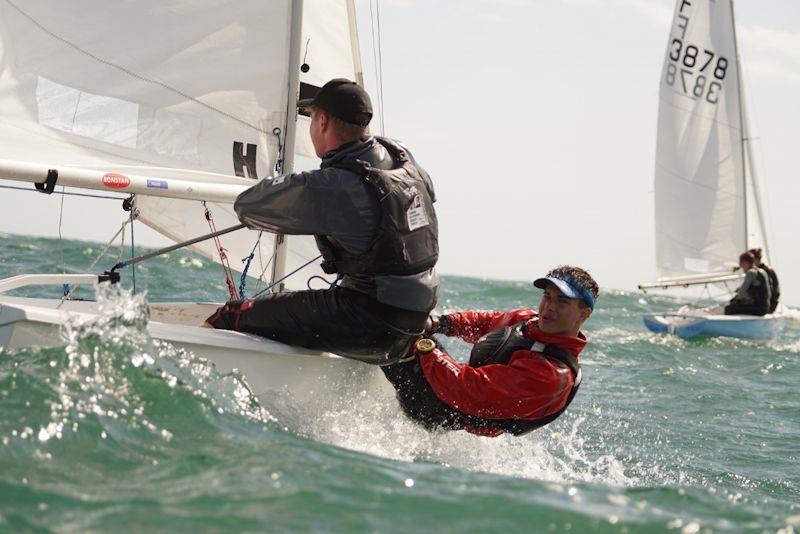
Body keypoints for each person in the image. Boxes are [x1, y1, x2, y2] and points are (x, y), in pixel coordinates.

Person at [203, 78, 439, 363]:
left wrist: (296, 181)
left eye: (311, 118)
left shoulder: (337, 185)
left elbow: (248, 207)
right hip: (416, 320)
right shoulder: (402, 158)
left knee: (230, 316)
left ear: (323, 121)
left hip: (368, 322)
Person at [381, 265, 598, 437]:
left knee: (388, 331)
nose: (550, 306)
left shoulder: (551, 375)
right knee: (404, 322)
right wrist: (440, 323)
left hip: (442, 412)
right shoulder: (528, 321)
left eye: (562, 301)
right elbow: (485, 323)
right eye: (547, 296)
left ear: (584, 314)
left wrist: (423, 348)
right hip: (450, 389)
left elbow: (469, 389)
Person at [724, 251, 770, 316]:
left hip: (759, 309)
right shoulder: (762, 271)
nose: (740, 266)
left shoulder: (751, 272)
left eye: (741, 263)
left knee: (729, 309)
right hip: (765, 307)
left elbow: (741, 292)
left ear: (745, 263)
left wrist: (735, 299)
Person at [748, 247, 780, 313]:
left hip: (767, 305)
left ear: (756, 259)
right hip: (761, 303)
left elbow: (774, 291)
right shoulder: (754, 271)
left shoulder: (766, 271)